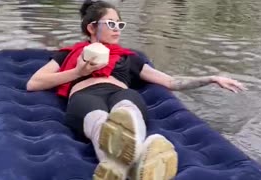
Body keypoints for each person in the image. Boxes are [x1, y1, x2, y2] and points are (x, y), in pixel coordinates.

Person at [26, 0, 246, 179]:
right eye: (111, 24)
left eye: (120, 25)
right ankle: (137, 167)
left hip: (121, 94)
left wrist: (211, 78)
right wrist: (77, 73)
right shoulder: (69, 54)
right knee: (100, 121)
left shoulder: (127, 58)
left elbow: (170, 82)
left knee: (127, 112)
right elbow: (34, 83)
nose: (117, 30)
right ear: (91, 27)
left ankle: (119, 168)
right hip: (85, 96)